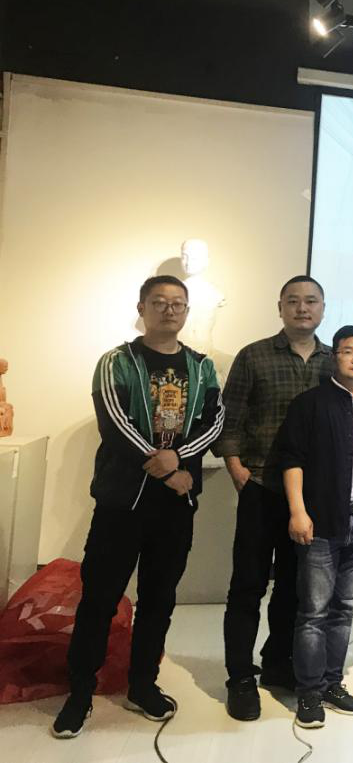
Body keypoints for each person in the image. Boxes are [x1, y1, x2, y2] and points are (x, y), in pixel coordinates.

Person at [52, 275, 224, 739]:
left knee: (158, 600)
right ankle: (80, 692)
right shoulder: (116, 362)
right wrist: (168, 469)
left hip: (175, 508)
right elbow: (115, 423)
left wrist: (181, 457)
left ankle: (142, 684)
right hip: (121, 503)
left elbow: (214, 422)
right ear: (141, 308)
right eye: (159, 302)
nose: (169, 310)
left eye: (178, 303)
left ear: (187, 311)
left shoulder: (201, 367)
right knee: (99, 599)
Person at [217, 275, 332, 721]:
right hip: (261, 487)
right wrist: (236, 469)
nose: (303, 308)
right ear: (280, 307)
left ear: (322, 308)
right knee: (247, 586)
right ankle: (240, 678)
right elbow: (229, 417)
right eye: (294, 301)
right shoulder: (254, 355)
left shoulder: (334, 360)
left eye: (311, 301)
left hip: (310, 496)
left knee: (294, 587)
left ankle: (278, 663)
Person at [273, 325, 353, 729]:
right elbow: (292, 459)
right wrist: (297, 511)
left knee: (345, 609)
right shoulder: (310, 403)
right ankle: (308, 692)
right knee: (313, 612)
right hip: (321, 521)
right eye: (348, 351)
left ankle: (331, 683)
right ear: (334, 357)